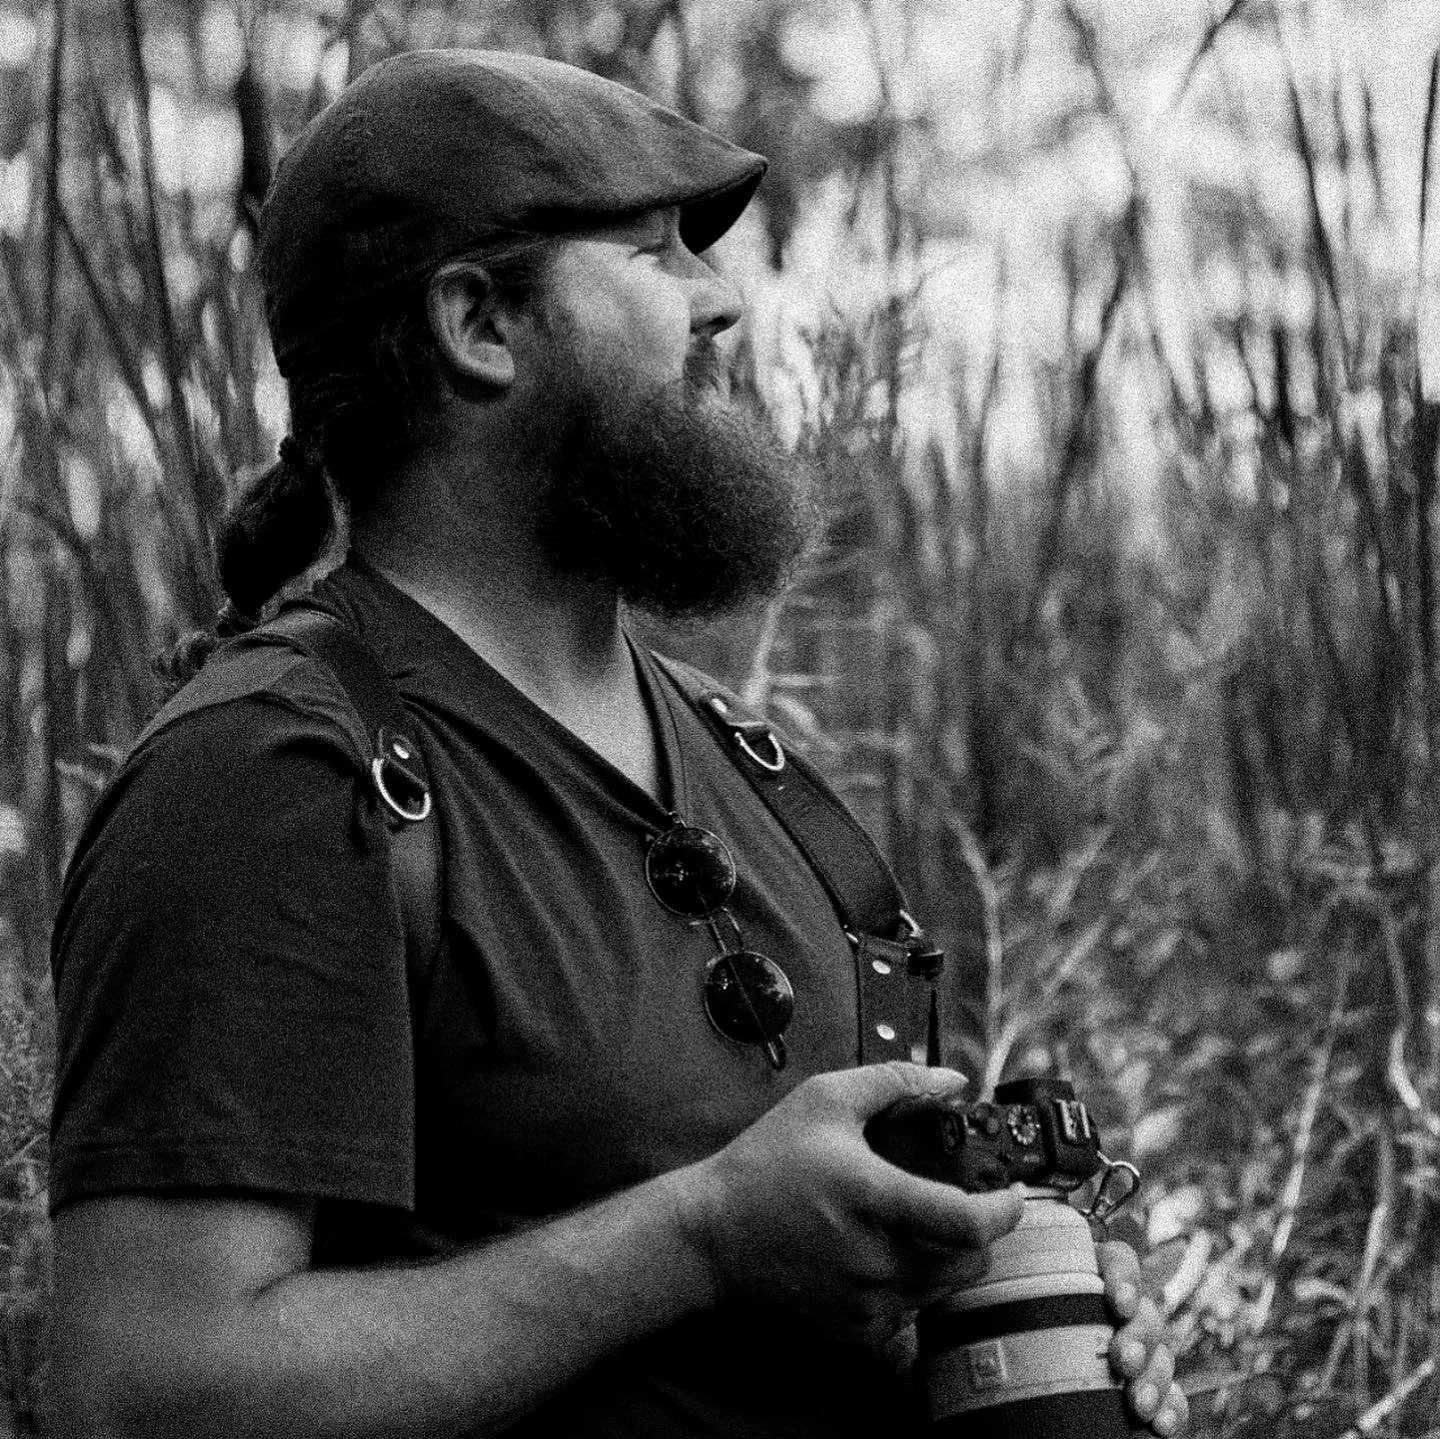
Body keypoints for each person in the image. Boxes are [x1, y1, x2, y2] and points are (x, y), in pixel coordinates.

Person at [46, 48, 1188, 1438]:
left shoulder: (760, 782)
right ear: (480, 321)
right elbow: (143, 1389)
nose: (723, 300)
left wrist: (1005, 1321)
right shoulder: (276, 777)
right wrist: (698, 1235)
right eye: (654, 254)